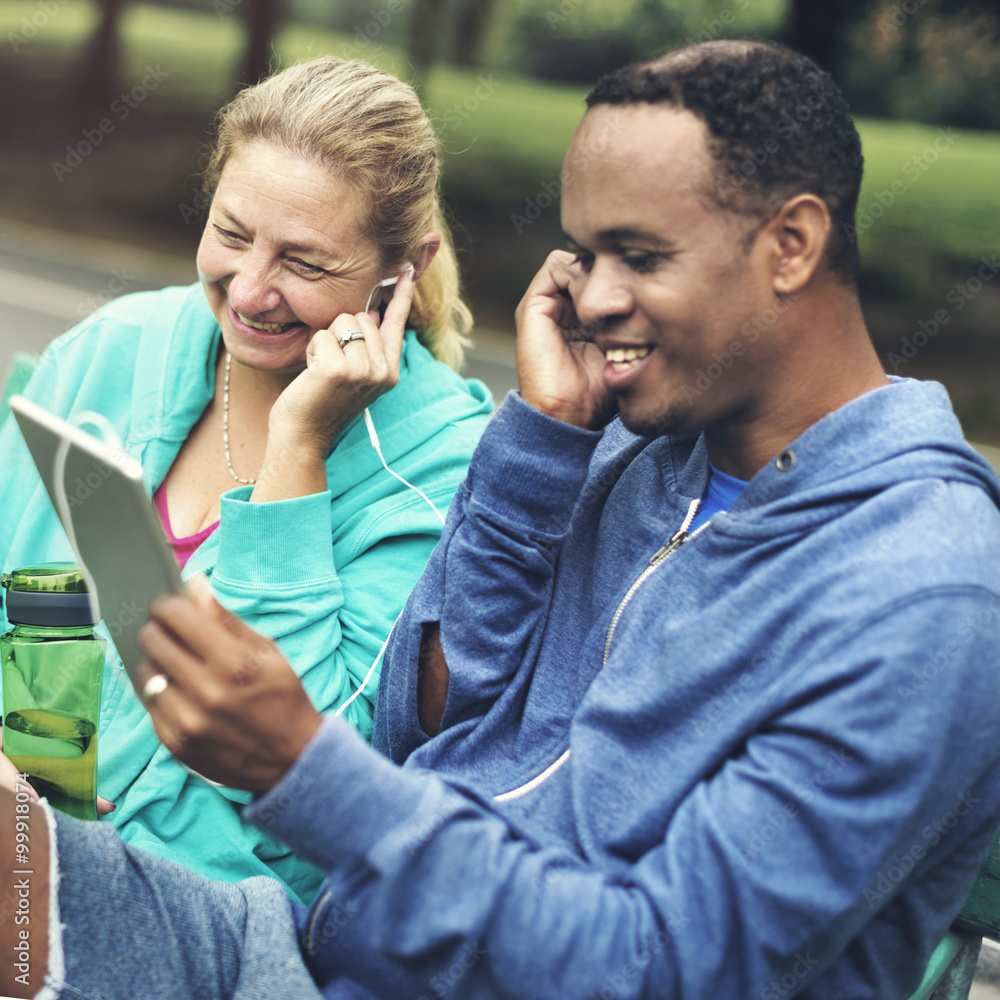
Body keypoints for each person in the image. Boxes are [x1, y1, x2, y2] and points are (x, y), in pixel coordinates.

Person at [4, 38, 1000, 1000]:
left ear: (791, 245)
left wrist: (305, 770)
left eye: (640, 256)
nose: (592, 299)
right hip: (305, 955)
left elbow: (665, 967)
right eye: (585, 251)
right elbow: (424, 723)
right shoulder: (633, 453)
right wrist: (539, 447)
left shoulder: (921, 591)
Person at [0, 56, 492, 903]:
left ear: (403, 270)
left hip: (208, 922)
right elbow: (24, 594)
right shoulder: (118, 346)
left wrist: (298, 450)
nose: (251, 291)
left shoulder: (443, 468)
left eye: (303, 263)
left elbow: (301, 776)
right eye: (232, 235)